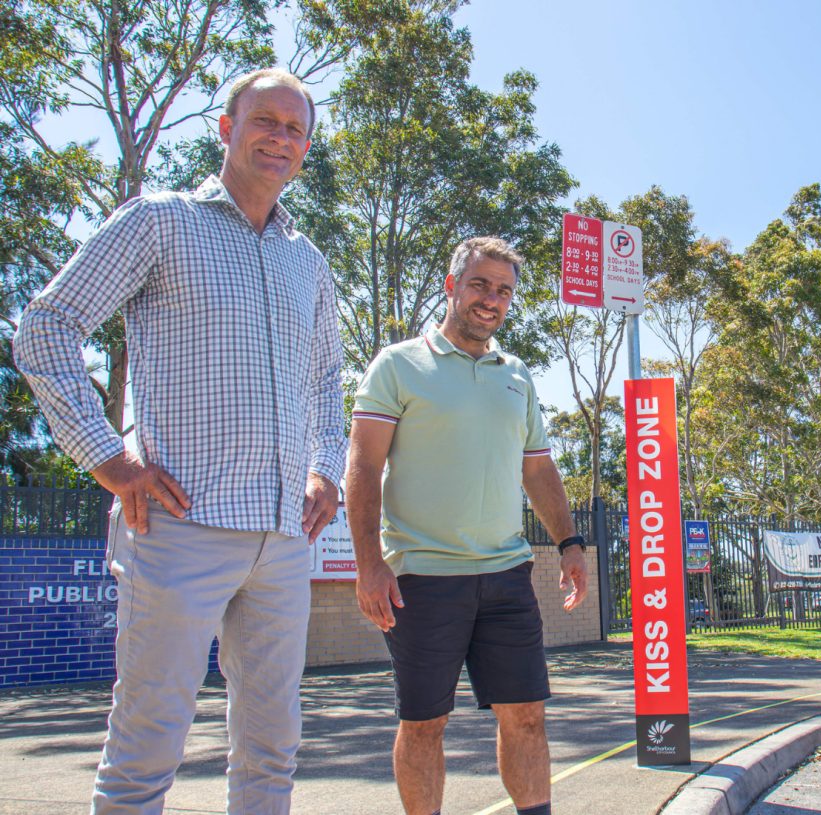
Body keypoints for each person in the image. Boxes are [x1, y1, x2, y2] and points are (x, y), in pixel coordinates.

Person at [12, 68, 345, 813]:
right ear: (226, 129)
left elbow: (327, 382)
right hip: (179, 526)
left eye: (296, 129)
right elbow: (46, 326)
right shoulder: (160, 222)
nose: (281, 138)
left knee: (271, 751)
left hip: (284, 539)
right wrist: (108, 456)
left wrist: (326, 468)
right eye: (266, 120)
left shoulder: (309, 263)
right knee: (145, 750)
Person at [345, 236, 587, 815]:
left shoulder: (517, 375)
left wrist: (570, 542)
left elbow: (539, 469)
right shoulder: (399, 364)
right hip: (422, 579)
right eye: (480, 284)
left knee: (526, 717)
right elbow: (363, 465)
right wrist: (368, 565)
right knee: (425, 722)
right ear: (452, 286)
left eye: (504, 290)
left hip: (506, 576)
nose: (492, 299)